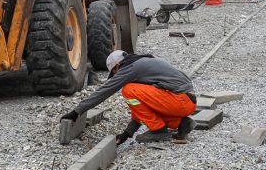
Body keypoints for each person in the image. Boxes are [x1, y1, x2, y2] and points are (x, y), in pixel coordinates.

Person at [61, 50, 197, 144]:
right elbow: (141, 109)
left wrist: (76, 112)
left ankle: (158, 130)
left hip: (180, 100)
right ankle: (182, 123)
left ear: (117, 66)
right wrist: (127, 134)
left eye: (114, 73)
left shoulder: (131, 67)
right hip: (185, 101)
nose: (116, 76)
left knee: (128, 90)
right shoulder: (141, 63)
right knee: (137, 97)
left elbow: (105, 90)